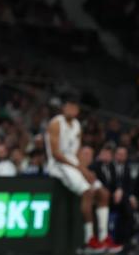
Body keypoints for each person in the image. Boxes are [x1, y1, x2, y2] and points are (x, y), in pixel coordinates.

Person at [46, 97, 119, 253]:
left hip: (74, 163)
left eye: (74, 107)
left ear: (78, 110)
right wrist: (80, 168)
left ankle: (104, 238)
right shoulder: (55, 123)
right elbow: (56, 154)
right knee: (88, 192)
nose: (71, 109)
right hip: (58, 165)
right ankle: (89, 241)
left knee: (103, 193)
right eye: (68, 106)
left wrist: (84, 169)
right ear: (63, 108)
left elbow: (77, 151)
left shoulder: (77, 125)